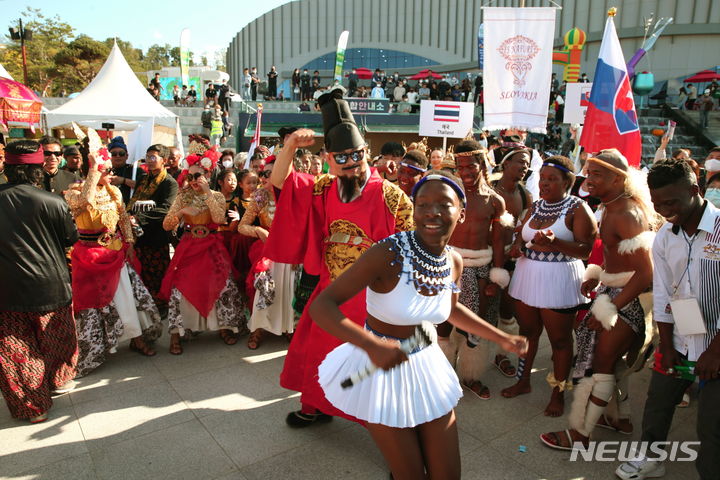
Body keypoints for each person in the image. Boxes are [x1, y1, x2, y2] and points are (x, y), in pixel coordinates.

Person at [313, 171, 528, 479]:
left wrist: (502, 338)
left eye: (444, 204)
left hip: (426, 364)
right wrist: (371, 345)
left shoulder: (453, 260)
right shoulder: (387, 253)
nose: (432, 212)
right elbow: (323, 306)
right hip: (379, 372)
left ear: (462, 213)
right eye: (423, 203)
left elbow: (451, 312)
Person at [265, 89, 414, 427]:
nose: (350, 165)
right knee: (319, 351)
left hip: (376, 297)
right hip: (332, 290)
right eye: (341, 158)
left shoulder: (391, 195)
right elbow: (280, 183)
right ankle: (316, 406)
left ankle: (395, 436)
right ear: (329, 160)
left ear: (367, 153)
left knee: (373, 367)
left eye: (356, 156)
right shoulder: (323, 188)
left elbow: (412, 245)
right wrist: (289, 148)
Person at [613, 158, 720, 480]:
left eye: (671, 202)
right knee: (658, 402)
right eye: (658, 204)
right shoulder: (664, 237)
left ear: (695, 190)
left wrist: (714, 352)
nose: (664, 210)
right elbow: (664, 294)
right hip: (684, 330)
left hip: (718, 342)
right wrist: (667, 344)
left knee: (711, 425)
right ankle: (651, 458)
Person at [540, 149, 654, 448]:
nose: (588, 180)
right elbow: (621, 259)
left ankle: (581, 435)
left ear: (618, 179)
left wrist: (608, 309)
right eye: (588, 172)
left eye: (597, 174)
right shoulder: (612, 207)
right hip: (614, 293)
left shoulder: (625, 213)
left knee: (601, 366)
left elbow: (644, 273)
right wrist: (599, 273)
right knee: (609, 363)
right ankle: (621, 418)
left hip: (622, 301)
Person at [502, 155, 597, 417]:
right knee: (528, 332)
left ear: (568, 181)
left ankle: (558, 393)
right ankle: (523, 382)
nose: (544, 184)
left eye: (552, 179)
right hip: (527, 277)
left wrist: (555, 243)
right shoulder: (536, 207)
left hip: (559, 279)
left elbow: (585, 249)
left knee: (560, 341)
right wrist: (517, 247)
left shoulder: (578, 208)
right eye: (542, 178)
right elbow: (521, 236)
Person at [0, 140, 78, 423]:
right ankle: (57, 382)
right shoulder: (53, 201)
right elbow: (71, 237)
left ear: (7, 167)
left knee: (16, 350)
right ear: (37, 169)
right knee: (55, 339)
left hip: (7, 289)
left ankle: (34, 407)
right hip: (51, 285)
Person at [65, 153, 162, 376]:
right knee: (91, 302)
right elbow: (83, 205)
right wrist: (92, 173)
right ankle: (97, 346)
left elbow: (123, 218)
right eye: (105, 170)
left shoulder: (115, 191)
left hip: (114, 251)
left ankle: (136, 338)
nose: (111, 174)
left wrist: (128, 241)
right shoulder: (74, 193)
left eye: (110, 170)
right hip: (87, 256)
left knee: (125, 298)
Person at [439, 141, 514, 400]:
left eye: (470, 166)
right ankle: (440, 376)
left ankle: (470, 376)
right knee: (443, 324)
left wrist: (497, 275)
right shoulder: (451, 193)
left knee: (475, 326)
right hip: (449, 266)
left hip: (481, 267)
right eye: (460, 167)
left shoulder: (495, 201)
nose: (465, 172)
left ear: (481, 165)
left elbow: (498, 241)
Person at [161, 148, 245, 354]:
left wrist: (207, 192)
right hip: (189, 246)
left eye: (199, 175)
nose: (195, 180)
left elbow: (218, 219)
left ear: (208, 174)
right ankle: (176, 333)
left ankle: (224, 327)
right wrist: (181, 212)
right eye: (191, 176)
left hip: (212, 245)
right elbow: (166, 225)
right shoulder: (183, 196)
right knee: (179, 290)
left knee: (224, 286)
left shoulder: (215, 195)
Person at [238, 159, 295, 349]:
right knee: (264, 287)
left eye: (269, 173)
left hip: (292, 249)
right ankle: (258, 328)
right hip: (268, 250)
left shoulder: (295, 193)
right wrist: (258, 231)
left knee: (290, 287)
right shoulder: (260, 195)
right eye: (263, 174)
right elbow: (242, 226)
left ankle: (289, 327)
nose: (264, 178)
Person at [127, 144, 179, 316]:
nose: (149, 161)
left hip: (156, 236)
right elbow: (134, 201)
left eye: (153, 157)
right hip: (139, 235)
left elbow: (166, 209)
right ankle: (147, 307)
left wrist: (140, 217)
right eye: (147, 157)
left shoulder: (169, 183)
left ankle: (162, 307)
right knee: (142, 272)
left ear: (164, 160)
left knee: (158, 274)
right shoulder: (144, 179)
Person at [107, 137, 145, 204]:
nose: (118, 156)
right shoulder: (105, 171)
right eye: (114, 154)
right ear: (110, 156)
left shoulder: (136, 170)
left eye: (121, 153)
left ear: (127, 156)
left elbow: (144, 188)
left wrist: (124, 180)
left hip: (129, 208)